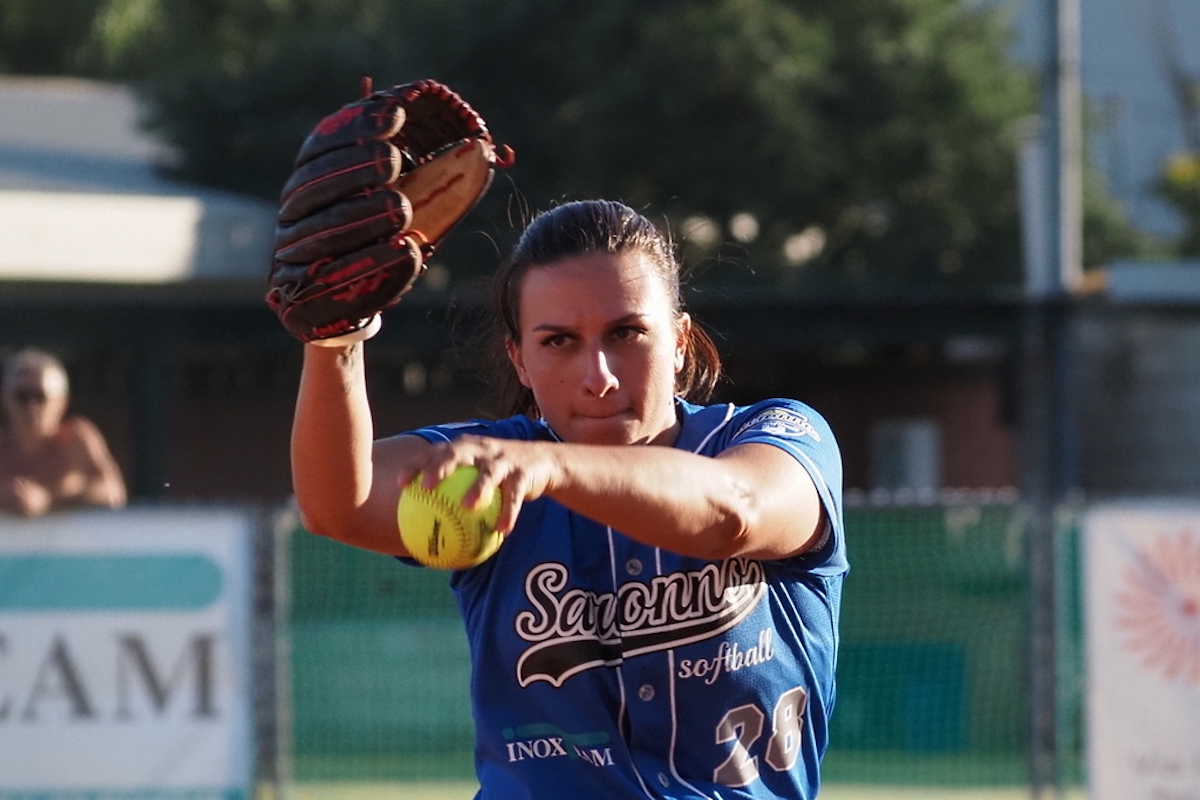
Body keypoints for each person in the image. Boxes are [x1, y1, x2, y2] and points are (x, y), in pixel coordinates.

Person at [290, 200, 847, 800]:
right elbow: (338, 504)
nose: (598, 375)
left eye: (626, 332)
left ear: (680, 341)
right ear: (519, 361)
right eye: (558, 341)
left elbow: (735, 512)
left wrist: (549, 466)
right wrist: (335, 341)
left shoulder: (775, 435)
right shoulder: (496, 464)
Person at [0, 348, 126, 517]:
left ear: (60, 401)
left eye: (40, 396)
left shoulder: (77, 438)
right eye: (22, 396)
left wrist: (48, 499)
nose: (31, 406)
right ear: (6, 399)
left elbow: (113, 492)